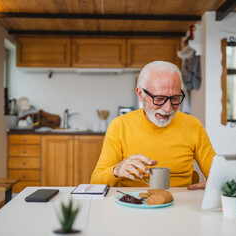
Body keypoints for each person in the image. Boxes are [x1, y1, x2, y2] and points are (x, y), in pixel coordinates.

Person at [91, 61, 215, 189]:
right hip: (132, 204)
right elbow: (95, 183)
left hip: (181, 204)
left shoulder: (193, 125)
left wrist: (215, 185)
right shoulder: (119, 126)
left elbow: (218, 176)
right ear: (140, 94)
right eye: (159, 99)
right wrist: (116, 171)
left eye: (175, 98)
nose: (168, 109)